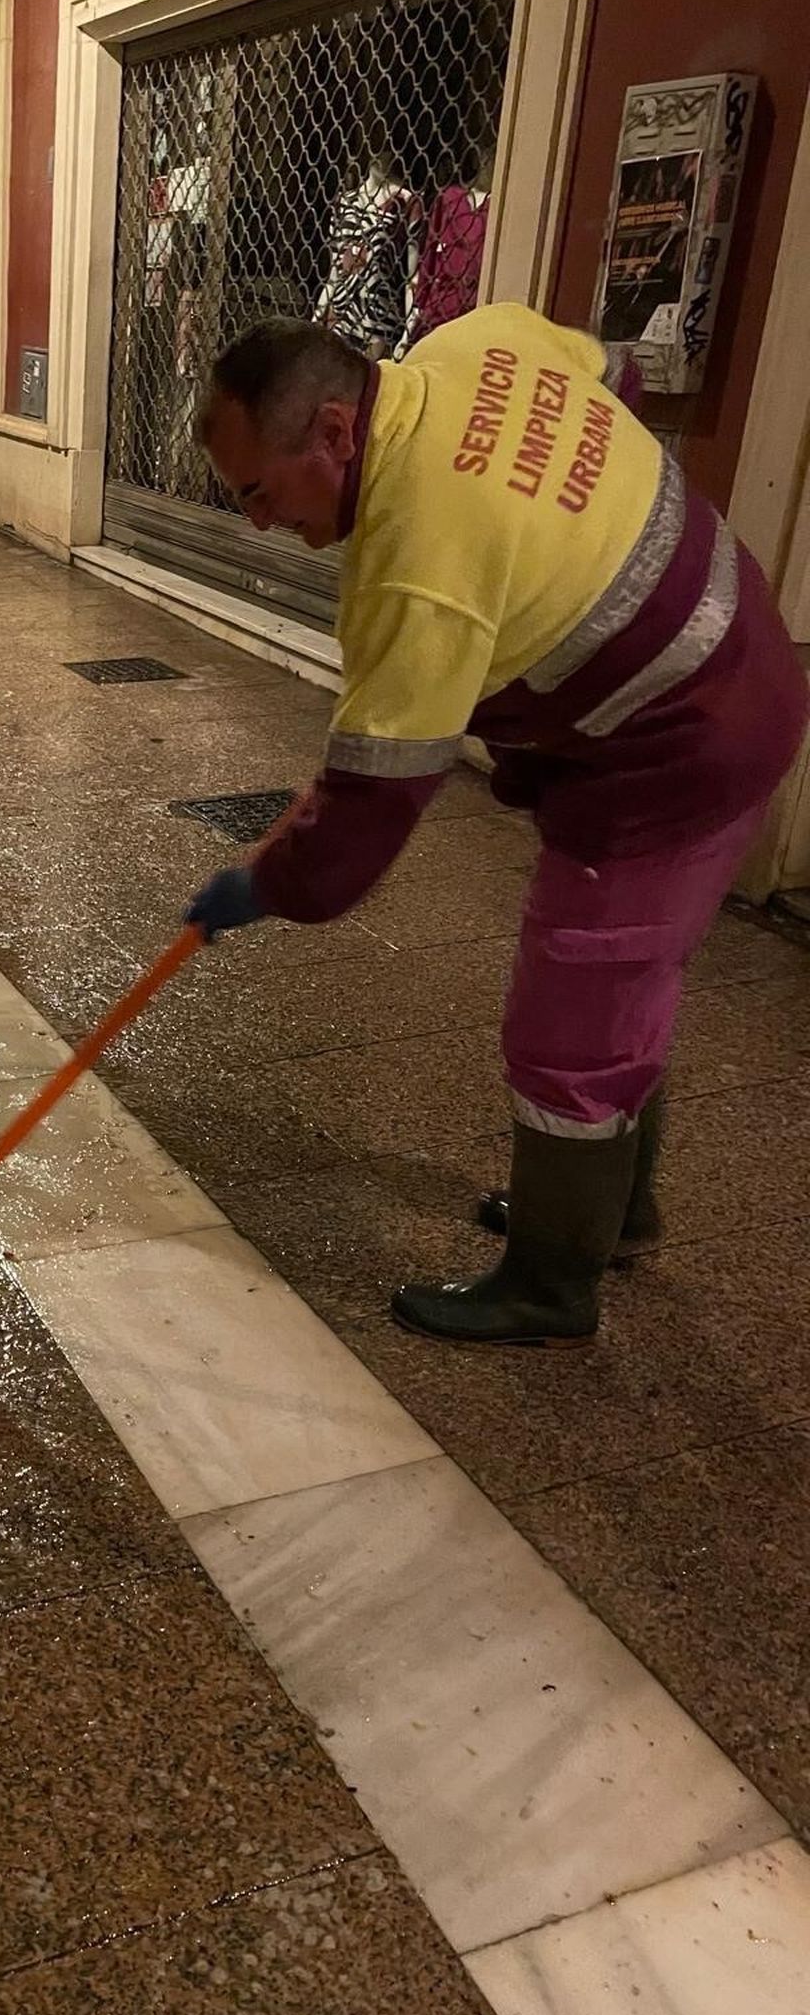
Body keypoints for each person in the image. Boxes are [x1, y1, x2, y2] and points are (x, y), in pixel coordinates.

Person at [187, 304, 808, 1346]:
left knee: (578, 1001)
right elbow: (618, 376)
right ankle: (616, 1213)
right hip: (733, 642)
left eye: (258, 493)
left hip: (680, 745)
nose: (254, 522)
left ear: (336, 433)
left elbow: (370, 813)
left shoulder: (411, 563)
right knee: (623, 980)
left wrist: (267, 882)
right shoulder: (477, 343)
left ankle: (552, 1283)